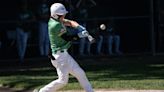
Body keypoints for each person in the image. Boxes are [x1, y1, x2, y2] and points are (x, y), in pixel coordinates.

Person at [36, 3, 94, 92]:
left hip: (64, 55)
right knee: (63, 81)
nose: (64, 15)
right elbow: (67, 38)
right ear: (56, 15)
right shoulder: (55, 25)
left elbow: (70, 22)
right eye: (62, 14)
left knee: (80, 73)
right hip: (59, 57)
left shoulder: (58, 19)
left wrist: (80, 27)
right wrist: (80, 35)